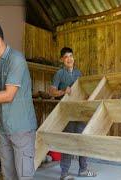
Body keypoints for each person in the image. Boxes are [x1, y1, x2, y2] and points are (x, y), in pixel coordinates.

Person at [0, 20, 37, 180]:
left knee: (24, 176)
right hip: (5, 129)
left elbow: (8, 95)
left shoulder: (16, 59)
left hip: (22, 129)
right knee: (8, 175)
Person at [49, 47, 97, 180]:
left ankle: (83, 169)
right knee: (68, 142)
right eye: (66, 57)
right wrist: (63, 91)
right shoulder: (59, 73)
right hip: (66, 112)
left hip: (79, 111)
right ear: (62, 60)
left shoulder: (78, 73)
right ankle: (64, 173)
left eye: (71, 56)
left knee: (83, 139)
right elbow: (52, 91)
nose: (69, 59)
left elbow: (83, 90)